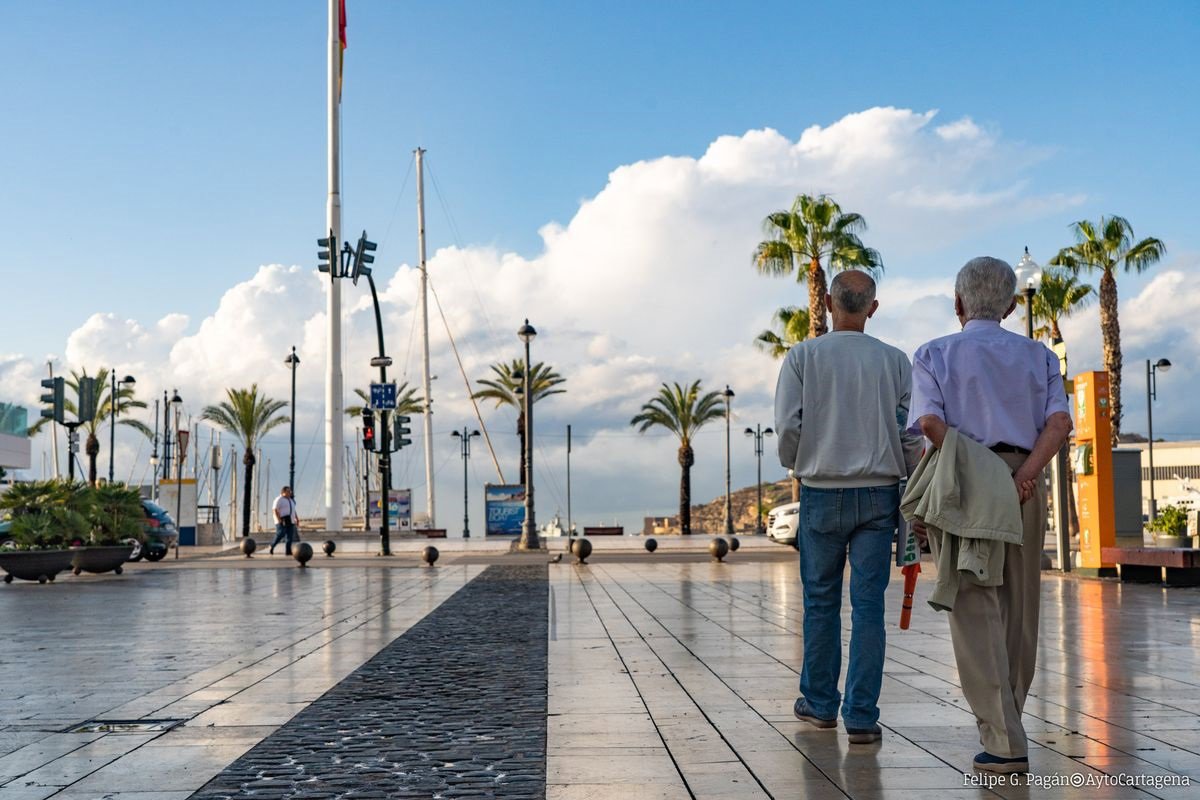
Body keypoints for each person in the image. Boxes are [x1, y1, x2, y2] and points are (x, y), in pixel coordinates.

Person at [907, 256, 1072, 774]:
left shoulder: (934, 353)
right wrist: (1024, 475)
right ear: (1012, 305)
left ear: (958, 303)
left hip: (964, 481)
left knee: (973, 605)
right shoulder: (1040, 356)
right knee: (1020, 606)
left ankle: (1003, 741)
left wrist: (978, 470)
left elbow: (929, 424)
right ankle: (1009, 724)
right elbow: (1059, 423)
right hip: (1025, 481)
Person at [774, 270, 923, 744]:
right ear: (872, 308)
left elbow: (788, 425)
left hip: (821, 491)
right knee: (868, 606)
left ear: (828, 303)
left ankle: (820, 704)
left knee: (820, 602)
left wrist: (799, 462)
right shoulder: (894, 360)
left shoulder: (803, 357)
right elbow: (910, 432)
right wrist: (910, 474)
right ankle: (861, 715)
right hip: (879, 493)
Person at [270, 486, 299, 556]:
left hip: (291, 520)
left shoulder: (291, 500)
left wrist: (297, 519)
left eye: (290, 491)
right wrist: (279, 520)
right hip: (282, 520)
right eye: (288, 491)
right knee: (280, 533)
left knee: (289, 536)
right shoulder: (279, 499)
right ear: (283, 492)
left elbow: (293, 510)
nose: (290, 492)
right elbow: (274, 510)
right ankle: (272, 545)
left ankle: (288, 551)